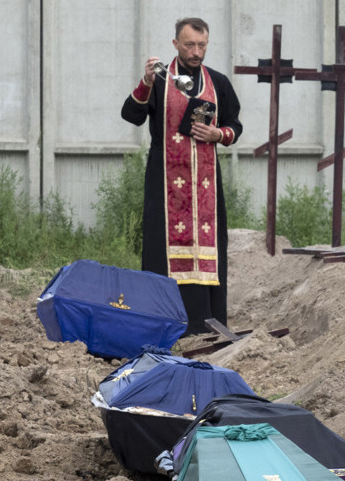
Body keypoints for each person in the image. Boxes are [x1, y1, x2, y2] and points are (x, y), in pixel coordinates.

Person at [121, 17, 242, 336]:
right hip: (164, 184)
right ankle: (161, 325)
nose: (196, 52)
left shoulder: (218, 83)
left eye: (202, 45)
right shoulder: (160, 79)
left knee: (207, 250)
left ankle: (207, 325)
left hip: (206, 187)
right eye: (189, 45)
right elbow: (131, 115)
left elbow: (235, 125)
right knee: (161, 251)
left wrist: (218, 134)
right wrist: (145, 82)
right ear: (175, 44)